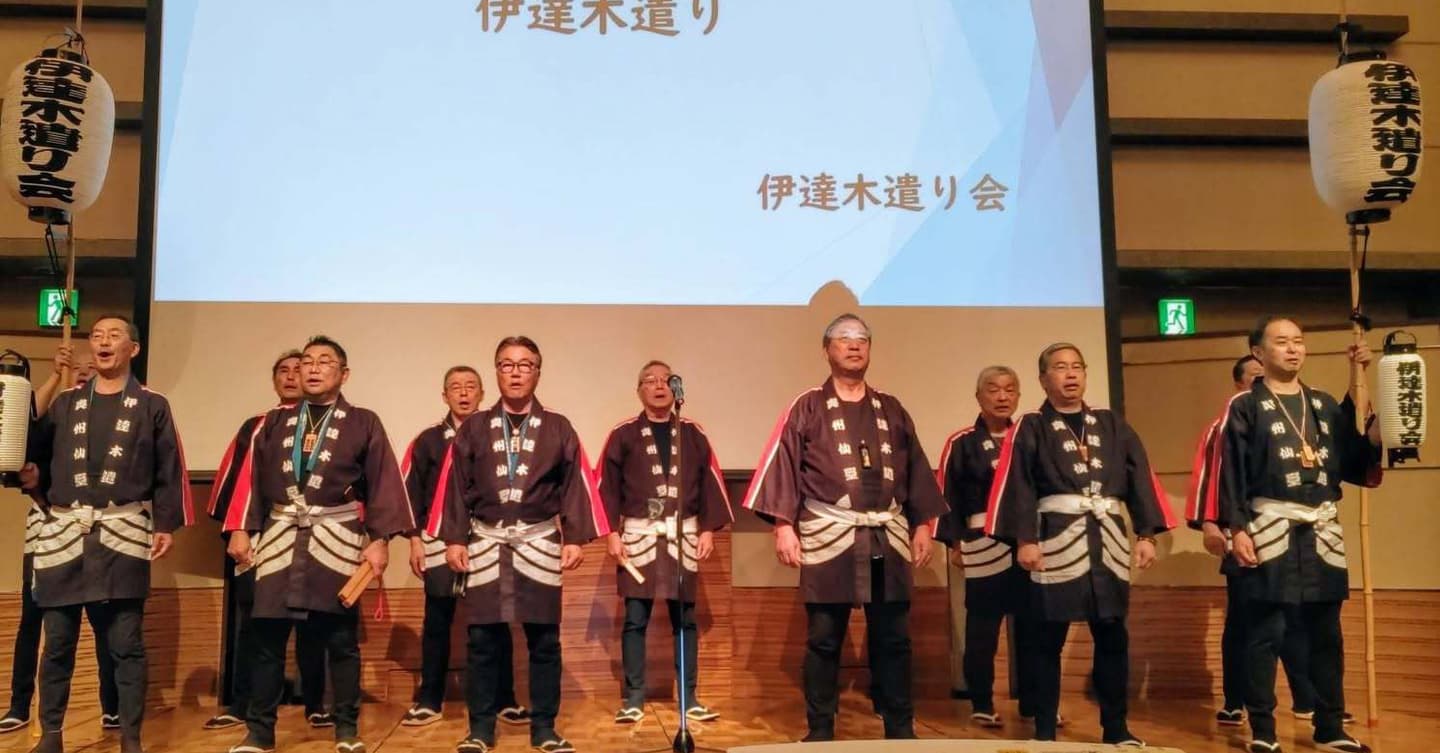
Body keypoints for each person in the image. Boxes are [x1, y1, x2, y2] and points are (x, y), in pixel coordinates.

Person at [742, 314, 947, 742]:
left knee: (894, 638)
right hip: (829, 533)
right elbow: (783, 465)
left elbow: (915, 469)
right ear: (827, 349)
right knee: (823, 638)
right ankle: (820, 730)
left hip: (886, 533)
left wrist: (922, 526)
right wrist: (784, 526)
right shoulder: (806, 406)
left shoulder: (891, 407)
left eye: (862, 339)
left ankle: (900, 729)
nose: (854, 345)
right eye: (844, 338)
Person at [224, 336, 415, 753]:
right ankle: (259, 732)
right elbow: (250, 479)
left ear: (344, 374)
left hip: (336, 536)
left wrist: (380, 540)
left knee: (340, 640)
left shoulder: (364, 421)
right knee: (266, 636)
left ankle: (346, 728)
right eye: (307, 361)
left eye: (324, 361)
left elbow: (382, 481)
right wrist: (240, 527)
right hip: (280, 534)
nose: (311, 368)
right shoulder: (272, 422)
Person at [19, 315, 194, 753]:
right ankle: (52, 735)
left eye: (114, 335)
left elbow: (169, 469)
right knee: (57, 642)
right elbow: (33, 451)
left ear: (133, 349)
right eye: (96, 335)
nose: (103, 341)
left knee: (125, 642)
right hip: (65, 531)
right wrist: (30, 474)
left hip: (122, 531)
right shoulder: (67, 403)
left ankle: (131, 738)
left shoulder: (153, 405)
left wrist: (165, 524)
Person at [986, 342, 1175, 746]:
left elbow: (1139, 476)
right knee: (1046, 639)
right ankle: (1043, 732)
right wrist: (1025, 540)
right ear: (1043, 379)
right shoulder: (1032, 425)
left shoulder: (1110, 423)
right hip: (1056, 538)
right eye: (1060, 367)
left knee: (1112, 636)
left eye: (1077, 366)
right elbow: (1018, 483)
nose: (1070, 374)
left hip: (1107, 539)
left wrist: (1145, 534)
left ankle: (1116, 729)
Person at [434, 336, 610, 753]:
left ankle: (544, 728)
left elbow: (574, 483)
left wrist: (575, 537)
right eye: (507, 365)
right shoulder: (474, 428)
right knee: (482, 640)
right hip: (486, 540)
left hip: (539, 541)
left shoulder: (558, 427)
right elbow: (456, 485)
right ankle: (480, 729)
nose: (515, 373)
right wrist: (455, 538)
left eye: (524, 365)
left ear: (537, 372)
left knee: (544, 640)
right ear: (496, 371)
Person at [1216, 317, 1381, 753]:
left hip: (1321, 527)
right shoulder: (1245, 406)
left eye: (1298, 341)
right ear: (1258, 352)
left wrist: (1372, 408)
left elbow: (1353, 457)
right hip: (1269, 526)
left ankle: (1330, 727)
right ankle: (1264, 730)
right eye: (1282, 342)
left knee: (1326, 634)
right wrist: (1237, 529)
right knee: (1265, 632)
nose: (1293, 349)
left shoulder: (1322, 404)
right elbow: (1230, 471)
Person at [1186, 354, 1348, 728]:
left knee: (1298, 622)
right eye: (1253, 377)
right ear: (1239, 383)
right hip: (1246, 531)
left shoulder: (1305, 415)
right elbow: (1212, 478)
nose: (1260, 384)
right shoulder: (1226, 422)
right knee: (1248, 623)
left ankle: (1309, 700)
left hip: (1304, 535)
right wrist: (1212, 525)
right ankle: (1236, 701)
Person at [202, 350, 332, 731]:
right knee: (254, 624)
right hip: (261, 537)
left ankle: (315, 703)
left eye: (298, 369)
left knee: (315, 622)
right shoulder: (257, 426)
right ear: (274, 380)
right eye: (283, 371)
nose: (291, 376)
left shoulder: (331, 426)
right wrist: (239, 529)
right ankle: (243, 704)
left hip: (315, 537)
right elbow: (235, 481)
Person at [596, 360, 732, 724]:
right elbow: (606, 486)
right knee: (634, 619)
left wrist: (707, 529)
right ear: (638, 390)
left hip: (681, 535)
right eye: (650, 380)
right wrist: (611, 532)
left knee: (685, 619)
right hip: (638, 537)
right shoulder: (622, 434)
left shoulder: (693, 433)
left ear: (676, 390)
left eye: (666, 380)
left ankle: (689, 698)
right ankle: (634, 698)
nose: (659, 386)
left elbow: (709, 481)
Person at [400, 366, 529, 728]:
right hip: (439, 538)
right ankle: (429, 699)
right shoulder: (427, 440)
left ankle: (504, 698)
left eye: (471, 386)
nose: (463, 393)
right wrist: (414, 540)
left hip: (488, 536)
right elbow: (411, 494)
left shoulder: (500, 434)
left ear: (482, 393)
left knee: (496, 619)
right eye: (455, 387)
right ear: (445, 396)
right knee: (437, 620)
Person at [1, 344, 117, 736]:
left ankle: (112, 705)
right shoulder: (57, 414)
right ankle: (20, 705)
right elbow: (24, 427)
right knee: (32, 618)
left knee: (104, 620)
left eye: (91, 366)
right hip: (47, 523)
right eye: (76, 367)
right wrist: (52, 376)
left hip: (95, 527)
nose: (83, 371)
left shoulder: (113, 417)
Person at [935, 365, 1034, 728]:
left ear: (1019, 396)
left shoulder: (1029, 438)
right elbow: (947, 495)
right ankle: (981, 701)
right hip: (981, 542)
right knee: (982, 628)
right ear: (979, 397)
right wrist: (955, 544)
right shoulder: (961, 442)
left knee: (1033, 627)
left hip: (1026, 543)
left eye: (1010, 389)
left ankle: (1034, 702)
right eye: (993, 389)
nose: (1002, 396)